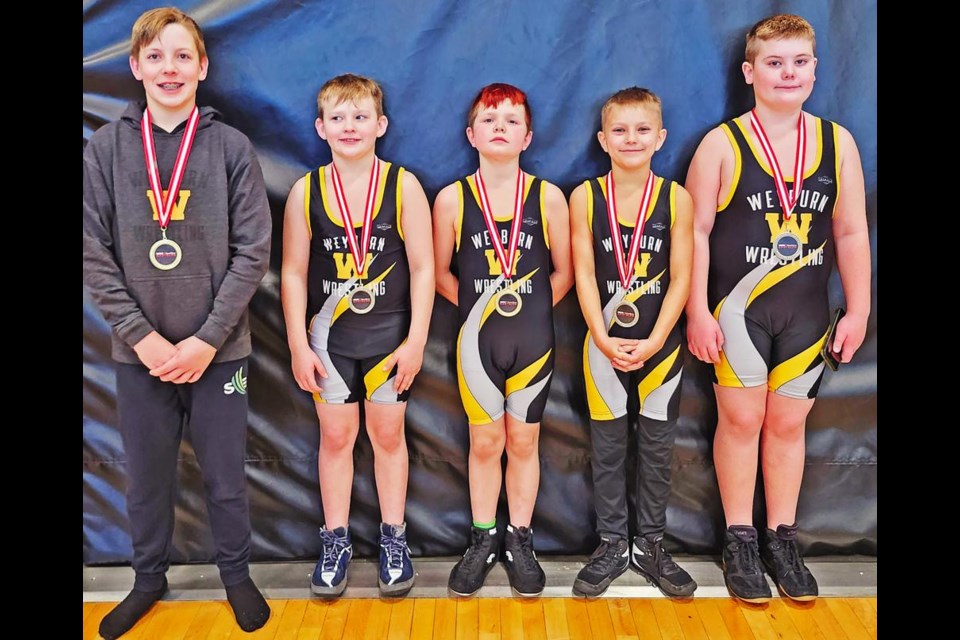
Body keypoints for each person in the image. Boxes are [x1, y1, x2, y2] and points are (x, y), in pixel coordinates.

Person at [82, 7, 272, 638]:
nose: (170, 68)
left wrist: (205, 339)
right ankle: (146, 579)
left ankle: (236, 576)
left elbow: (254, 252)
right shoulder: (105, 149)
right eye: (156, 57)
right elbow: (91, 251)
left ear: (203, 67)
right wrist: (144, 336)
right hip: (141, 356)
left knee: (224, 476)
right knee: (147, 477)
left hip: (220, 354)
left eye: (182, 56)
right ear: (134, 66)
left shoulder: (229, 147)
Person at [684, 14, 870, 602]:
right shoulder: (722, 143)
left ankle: (780, 537)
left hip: (808, 313)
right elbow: (694, 233)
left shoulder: (837, 143)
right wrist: (696, 310)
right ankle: (739, 538)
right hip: (738, 315)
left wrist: (860, 309)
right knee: (740, 422)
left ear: (815, 68)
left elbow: (851, 234)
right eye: (774, 62)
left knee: (788, 426)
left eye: (799, 62)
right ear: (749, 71)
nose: (787, 73)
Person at [281, 73, 434, 598]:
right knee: (336, 438)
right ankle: (336, 539)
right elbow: (294, 273)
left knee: (389, 438)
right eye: (338, 118)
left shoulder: (403, 185)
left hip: (390, 338)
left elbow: (422, 268)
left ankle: (394, 539)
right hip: (330, 344)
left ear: (381, 124)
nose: (350, 126)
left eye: (360, 116)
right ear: (321, 127)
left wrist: (416, 341)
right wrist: (299, 345)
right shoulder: (306, 189)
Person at [433, 83, 573, 598]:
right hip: (476, 342)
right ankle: (482, 537)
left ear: (528, 136)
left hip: (532, 338)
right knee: (485, 442)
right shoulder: (452, 198)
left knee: (524, 440)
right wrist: (479, 310)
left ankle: (520, 538)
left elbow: (566, 271)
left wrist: (529, 309)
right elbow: (439, 272)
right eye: (490, 121)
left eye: (512, 121)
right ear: (471, 134)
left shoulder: (547, 197)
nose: (500, 128)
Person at [568, 88, 697, 598]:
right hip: (601, 343)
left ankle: (651, 544)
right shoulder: (585, 197)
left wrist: (659, 336)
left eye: (642, 129)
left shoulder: (675, 197)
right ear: (602, 139)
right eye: (619, 130)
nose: (631, 139)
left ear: (660, 137)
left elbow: (683, 276)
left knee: (658, 446)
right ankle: (611, 543)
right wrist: (600, 336)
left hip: (660, 344)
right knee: (607, 446)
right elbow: (581, 272)